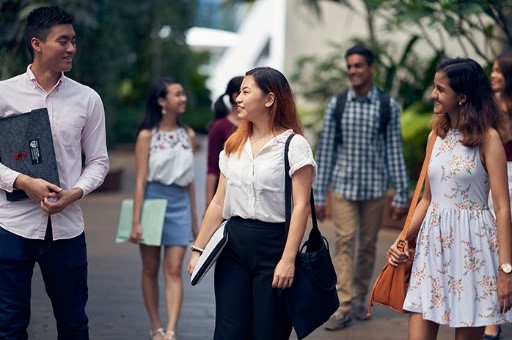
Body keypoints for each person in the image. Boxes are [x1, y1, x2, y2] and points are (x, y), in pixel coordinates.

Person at [0, 5, 109, 339]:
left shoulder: (88, 99)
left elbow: (99, 162)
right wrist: (22, 182)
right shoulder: (4, 93)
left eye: (73, 40)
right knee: (9, 326)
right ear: (37, 44)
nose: (72, 48)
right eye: (63, 41)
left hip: (67, 231)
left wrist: (74, 193)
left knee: (74, 324)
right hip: (11, 227)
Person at [187, 67, 317, 339]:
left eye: (246, 92)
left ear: (269, 99)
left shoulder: (294, 145)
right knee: (228, 331)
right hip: (233, 246)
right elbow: (218, 202)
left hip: (273, 246)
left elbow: (301, 207)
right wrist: (198, 248)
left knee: (268, 332)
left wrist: (288, 259)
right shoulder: (233, 144)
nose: (238, 99)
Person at [388, 57, 512, 340]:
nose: (434, 94)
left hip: (473, 249)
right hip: (432, 247)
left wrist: (506, 269)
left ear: (462, 96)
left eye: (440, 89)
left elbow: (503, 208)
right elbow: (426, 199)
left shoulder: (488, 139)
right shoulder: (436, 136)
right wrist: (403, 238)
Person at [313, 43, 409, 330]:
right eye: (350, 66)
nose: (352, 71)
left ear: (371, 68)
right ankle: (342, 306)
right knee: (345, 241)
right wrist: (319, 194)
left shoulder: (386, 106)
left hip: (375, 189)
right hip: (343, 188)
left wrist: (402, 193)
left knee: (367, 246)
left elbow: (394, 150)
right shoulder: (337, 104)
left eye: (358, 66)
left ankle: (358, 300)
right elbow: (326, 150)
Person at [129, 77, 198, 340]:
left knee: (173, 268)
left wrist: (194, 219)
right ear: (161, 101)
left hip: (180, 203)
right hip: (153, 202)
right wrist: (136, 221)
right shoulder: (147, 136)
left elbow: (191, 180)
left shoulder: (188, 135)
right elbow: (139, 181)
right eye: (177, 94)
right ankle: (155, 325)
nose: (183, 99)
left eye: (183, 94)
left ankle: (171, 331)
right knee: (150, 268)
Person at [484, 52, 512, 339]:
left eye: (498, 71)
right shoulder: (489, 106)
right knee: (496, 243)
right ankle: (493, 319)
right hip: (495, 178)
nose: (493, 75)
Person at [206, 76, 243, 206]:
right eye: (244, 92)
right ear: (235, 96)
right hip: (224, 196)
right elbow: (212, 167)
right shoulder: (220, 126)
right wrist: (208, 204)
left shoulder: (255, 125)